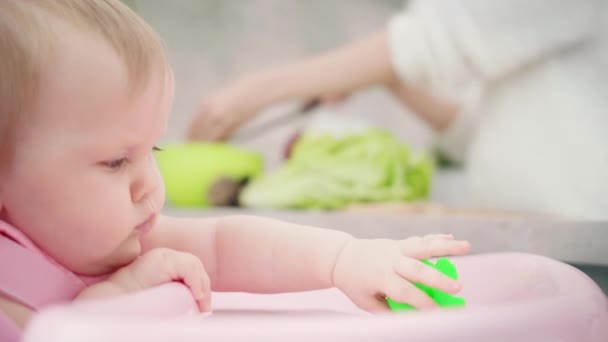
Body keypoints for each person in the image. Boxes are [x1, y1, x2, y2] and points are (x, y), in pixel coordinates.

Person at [0, 0, 471, 336]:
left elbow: (227, 244)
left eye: (154, 151)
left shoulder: (123, 238)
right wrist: (122, 293)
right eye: (116, 161)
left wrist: (342, 260)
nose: (149, 185)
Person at [188, 0, 608, 220]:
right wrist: (386, 78)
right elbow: (476, 135)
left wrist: (252, 93)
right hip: (531, 235)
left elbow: (434, 39)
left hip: (579, 241)